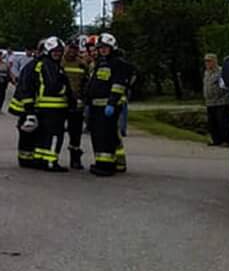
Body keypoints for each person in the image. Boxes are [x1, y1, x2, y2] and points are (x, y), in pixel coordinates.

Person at [10, 37, 74, 171]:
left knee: (41, 136)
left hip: (44, 109)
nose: (57, 54)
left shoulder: (52, 66)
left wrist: (71, 102)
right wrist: (29, 110)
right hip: (50, 109)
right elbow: (27, 88)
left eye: (60, 51)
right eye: (55, 51)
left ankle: (36, 160)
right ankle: (49, 162)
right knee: (53, 135)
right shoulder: (41, 66)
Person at [84, 34, 135, 175]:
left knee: (105, 136)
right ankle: (107, 162)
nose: (103, 50)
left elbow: (118, 85)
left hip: (107, 106)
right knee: (99, 135)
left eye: (106, 47)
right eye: (100, 48)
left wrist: (112, 103)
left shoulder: (117, 63)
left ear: (112, 48)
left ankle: (105, 165)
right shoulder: (101, 63)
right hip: (96, 106)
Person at [62, 41, 90, 171]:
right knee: (56, 131)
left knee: (75, 133)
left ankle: (75, 158)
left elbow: (86, 83)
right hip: (60, 102)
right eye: (70, 49)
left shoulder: (82, 64)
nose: (72, 52)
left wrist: (83, 98)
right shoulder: (59, 63)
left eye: (75, 49)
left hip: (76, 103)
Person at [202, 53, 229, 146]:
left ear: (214, 61)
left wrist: (220, 94)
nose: (207, 63)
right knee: (212, 123)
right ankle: (216, 140)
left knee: (222, 122)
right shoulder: (206, 73)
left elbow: (225, 86)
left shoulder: (221, 72)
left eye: (209, 61)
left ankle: (226, 140)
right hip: (210, 102)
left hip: (221, 101)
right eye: (206, 61)